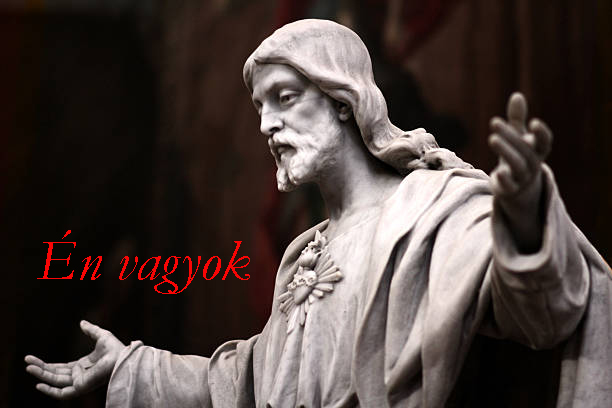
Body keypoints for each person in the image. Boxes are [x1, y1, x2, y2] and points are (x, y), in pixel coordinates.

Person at [25, 19, 611, 407]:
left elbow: (546, 315)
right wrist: (131, 368)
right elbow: (247, 383)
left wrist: (526, 223)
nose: (266, 124)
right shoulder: (303, 254)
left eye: (285, 98)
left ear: (343, 103)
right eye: (260, 107)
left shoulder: (433, 211)